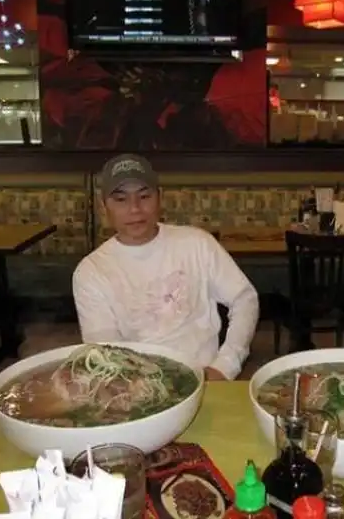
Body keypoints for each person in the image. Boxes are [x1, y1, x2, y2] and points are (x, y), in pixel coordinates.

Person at [73, 153, 259, 381]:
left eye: (144, 196)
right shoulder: (91, 271)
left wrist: (225, 366)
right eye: (121, 199)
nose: (135, 209)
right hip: (138, 386)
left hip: (206, 377)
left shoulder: (196, 243)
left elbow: (244, 298)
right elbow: (106, 352)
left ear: (159, 198)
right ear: (104, 207)